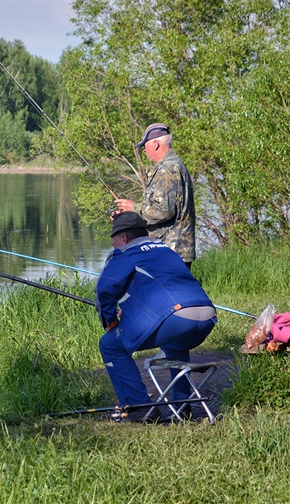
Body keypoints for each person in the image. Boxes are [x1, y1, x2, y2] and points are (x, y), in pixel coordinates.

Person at [96, 211, 216, 422]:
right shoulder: (167, 250)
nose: (113, 245)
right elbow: (159, 286)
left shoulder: (123, 253)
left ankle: (141, 408)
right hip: (206, 316)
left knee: (110, 345)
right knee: (176, 345)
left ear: (123, 238)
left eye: (114, 241)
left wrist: (110, 321)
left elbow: (105, 290)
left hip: (176, 318)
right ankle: (182, 406)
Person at [114, 123, 196, 267]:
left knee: (168, 290)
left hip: (171, 251)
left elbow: (163, 211)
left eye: (145, 145)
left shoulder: (168, 169)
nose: (144, 150)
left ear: (156, 144)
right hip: (171, 250)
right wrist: (127, 215)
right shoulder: (172, 165)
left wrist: (133, 208)